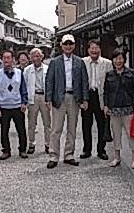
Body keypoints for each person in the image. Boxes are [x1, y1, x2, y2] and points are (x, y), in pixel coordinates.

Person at [45, 34, 89, 169]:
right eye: (66, 44)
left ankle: (69, 154)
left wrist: (85, 99)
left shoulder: (79, 62)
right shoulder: (55, 62)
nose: (68, 46)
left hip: (74, 98)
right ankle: (53, 155)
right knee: (56, 129)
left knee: (72, 128)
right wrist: (48, 98)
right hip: (59, 97)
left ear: (74, 45)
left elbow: (84, 81)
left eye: (71, 44)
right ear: (61, 46)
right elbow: (49, 81)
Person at [103, 48, 134, 169]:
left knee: (132, 135)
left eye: (120, 58)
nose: (118, 61)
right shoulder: (109, 74)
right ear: (112, 60)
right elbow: (106, 92)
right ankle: (117, 157)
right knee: (116, 134)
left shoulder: (131, 73)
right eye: (116, 58)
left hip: (128, 108)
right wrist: (105, 105)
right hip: (114, 109)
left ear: (124, 59)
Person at [0, 50, 28, 160]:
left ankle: (22, 149)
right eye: (4, 58)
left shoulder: (19, 73)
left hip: (17, 106)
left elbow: (23, 89)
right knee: (4, 130)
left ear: (13, 60)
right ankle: (6, 150)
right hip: (4, 107)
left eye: (8, 58)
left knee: (21, 129)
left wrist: (24, 102)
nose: (6, 60)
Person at [81, 39, 113, 160]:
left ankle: (101, 150)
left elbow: (110, 83)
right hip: (87, 96)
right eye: (92, 48)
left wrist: (108, 102)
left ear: (100, 49)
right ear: (88, 50)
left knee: (102, 125)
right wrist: (81, 100)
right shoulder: (82, 62)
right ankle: (87, 150)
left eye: (96, 48)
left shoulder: (107, 63)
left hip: (101, 96)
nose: (94, 50)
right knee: (86, 125)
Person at [24, 48, 50, 154]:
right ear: (30, 58)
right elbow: (24, 86)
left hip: (44, 96)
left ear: (42, 56)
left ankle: (48, 144)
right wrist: (25, 101)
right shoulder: (27, 70)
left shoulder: (47, 69)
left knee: (47, 123)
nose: (36, 58)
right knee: (31, 123)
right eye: (34, 56)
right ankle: (31, 143)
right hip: (33, 96)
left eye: (38, 56)